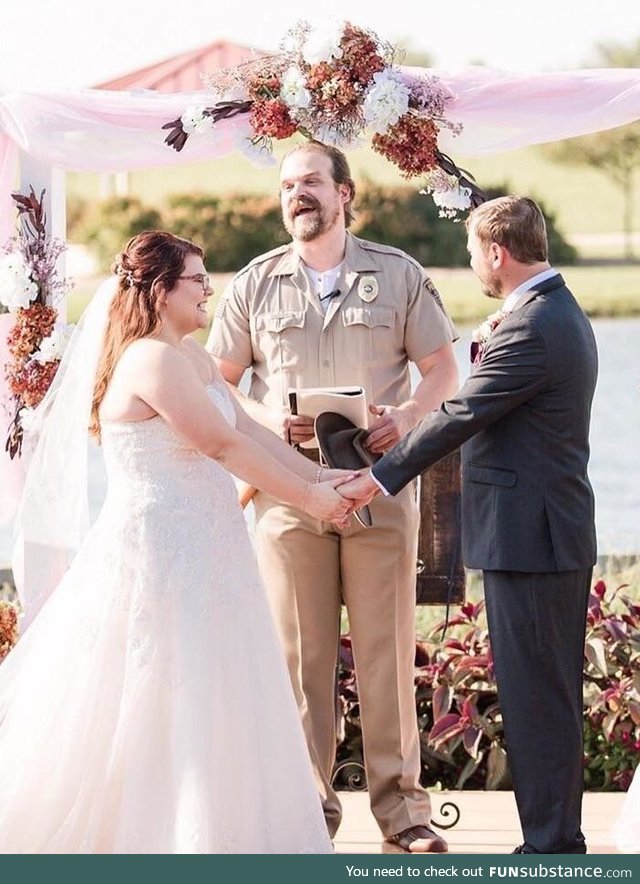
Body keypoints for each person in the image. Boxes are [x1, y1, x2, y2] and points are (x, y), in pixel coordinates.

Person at [0, 230, 358, 854]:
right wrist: (310, 501)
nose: (208, 289)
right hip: (161, 553)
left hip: (210, 544)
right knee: (164, 688)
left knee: (221, 684)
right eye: (197, 279)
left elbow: (247, 428)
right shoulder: (150, 360)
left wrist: (325, 475)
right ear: (162, 290)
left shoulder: (189, 358)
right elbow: (221, 447)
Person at [208, 141, 459, 852]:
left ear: (345, 192)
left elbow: (443, 368)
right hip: (286, 495)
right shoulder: (255, 285)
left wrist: (405, 418)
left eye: (312, 182)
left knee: (386, 656)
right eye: (288, 186)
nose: (298, 196)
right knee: (300, 663)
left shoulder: (400, 275)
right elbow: (219, 383)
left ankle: (404, 816)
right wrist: (264, 420)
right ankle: (306, 816)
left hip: (377, 490)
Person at [340, 196, 598, 855]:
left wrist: (378, 475)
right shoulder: (548, 311)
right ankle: (554, 835)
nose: (471, 262)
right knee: (545, 693)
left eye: (473, 252)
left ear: (497, 254)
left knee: (537, 696)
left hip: (531, 537)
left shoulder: (535, 326)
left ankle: (551, 846)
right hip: (540, 531)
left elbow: (458, 415)